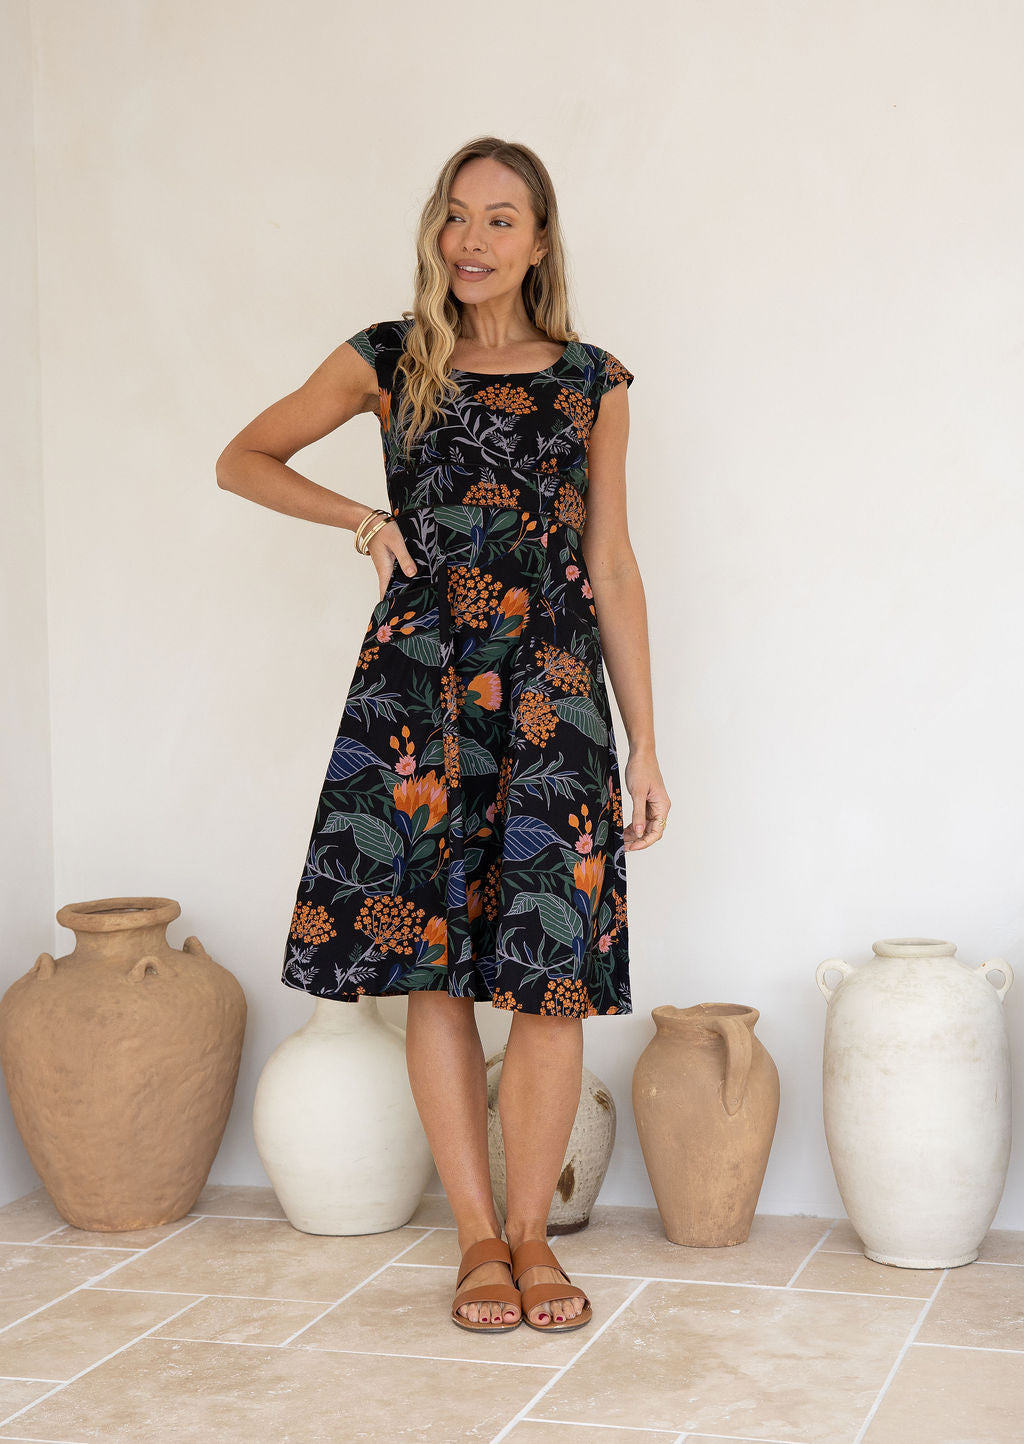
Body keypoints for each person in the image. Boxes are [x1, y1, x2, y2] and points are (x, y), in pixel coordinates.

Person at [217, 136, 670, 1335]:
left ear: (539, 240)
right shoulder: (391, 358)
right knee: (435, 964)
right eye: (456, 215)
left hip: (554, 693)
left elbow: (612, 562)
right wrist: (362, 519)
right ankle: (476, 1238)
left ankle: (533, 1235)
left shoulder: (593, 380)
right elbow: (241, 458)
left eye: (499, 218)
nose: (471, 239)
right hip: (421, 689)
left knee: (549, 977)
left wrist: (645, 744)